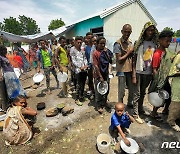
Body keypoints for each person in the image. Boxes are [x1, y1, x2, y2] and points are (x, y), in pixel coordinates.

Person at [132, 21, 159, 124]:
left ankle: (140, 109)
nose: (150, 32)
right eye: (149, 30)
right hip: (139, 72)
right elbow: (134, 59)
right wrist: (134, 74)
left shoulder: (154, 44)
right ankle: (135, 114)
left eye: (152, 30)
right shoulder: (139, 43)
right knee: (137, 93)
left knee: (143, 92)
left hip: (148, 73)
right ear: (145, 30)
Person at [150, 30, 174, 118]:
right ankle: (154, 112)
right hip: (160, 80)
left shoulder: (168, 52)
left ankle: (165, 110)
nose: (168, 43)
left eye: (170, 41)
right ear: (160, 40)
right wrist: (158, 82)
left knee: (168, 95)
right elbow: (154, 69)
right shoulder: (157, 54)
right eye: (166, 41)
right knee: (159, 96)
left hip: (168, 79)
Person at [113, 24, 134, 107]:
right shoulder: (117, 44)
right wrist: (129, 52)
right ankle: (120, 105)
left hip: (129, 69)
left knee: (131, 89)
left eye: (129, 32)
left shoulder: (130, 42)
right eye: (125, 32)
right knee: (121, 91)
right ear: (122, 31)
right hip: (121, 70)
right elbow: (119, 60)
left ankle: (129, 103)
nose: (127, 34)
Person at [93, 36, 113, 113]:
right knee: (98, 90)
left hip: (106, 74)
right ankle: (98, 105)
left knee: (106, 89)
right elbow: (96, 66)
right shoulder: (95, 53)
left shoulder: (106, 51)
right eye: (101, 43)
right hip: (98, 75)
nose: (102, 45)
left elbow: (111, 60)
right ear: (97, 44)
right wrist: (100, 76)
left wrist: (106, 53)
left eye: (104, 43)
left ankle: (104, 102)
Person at [70, 36, 88, 105]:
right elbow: (73, 60)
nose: (79, 44)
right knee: (78, 84)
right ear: (75, 42)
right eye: (78, 42)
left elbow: (85, 58)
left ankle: (81, 96)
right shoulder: (72, 50)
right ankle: (77, 99)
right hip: (77, 70)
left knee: (83, 84)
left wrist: (85, 65)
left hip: (84, 69)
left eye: (80, 42)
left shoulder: (82, 50)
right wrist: (80, 67)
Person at [85, 32, 95, 96]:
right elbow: (85, 57)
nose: (89, 39)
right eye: (88, 38)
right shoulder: (86, 48)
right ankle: (91, 90)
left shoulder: (95, 46)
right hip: (89, 66)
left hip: (96, 66)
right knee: (90, 79)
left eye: (91, 38)